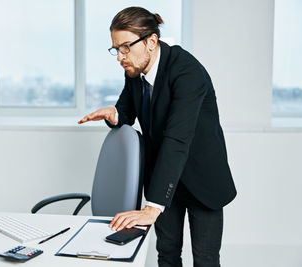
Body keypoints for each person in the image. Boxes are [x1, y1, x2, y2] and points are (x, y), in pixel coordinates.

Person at [78, 6, 236, 267]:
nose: (120, 57)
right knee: (167, 252)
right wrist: (114, 113)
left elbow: (177, 138)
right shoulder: (135, 70)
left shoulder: (188, 73)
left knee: (206, 260)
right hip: (164, 175)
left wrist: (152, 207)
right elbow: (127, 110)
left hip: (202, 177)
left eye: (126, 47)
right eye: (116, 49)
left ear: (151, 41)